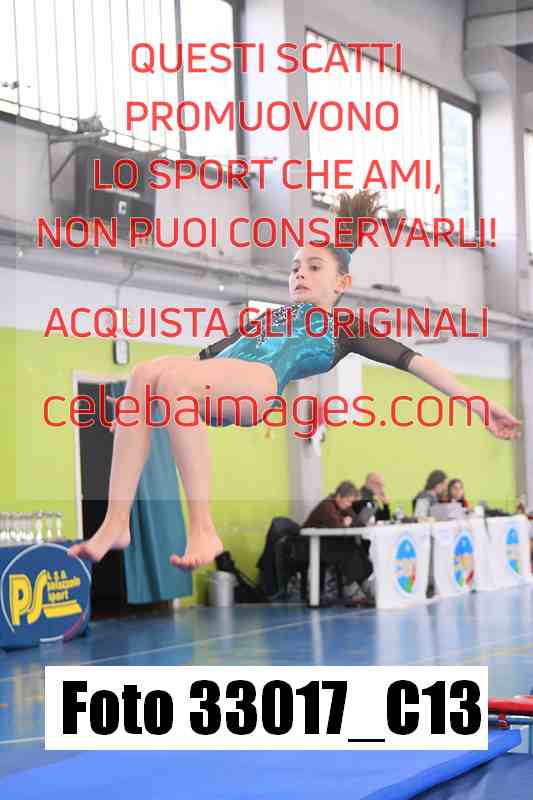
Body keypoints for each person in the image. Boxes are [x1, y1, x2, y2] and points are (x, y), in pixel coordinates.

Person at [68, 191, 521, 571]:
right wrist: (142, 408)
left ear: (342, 282)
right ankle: (116, 522)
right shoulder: (269, 318)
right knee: (144, 374)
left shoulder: (344, 326)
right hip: (222, 385)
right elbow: (203, 359)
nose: (300, 273)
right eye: (295, 266)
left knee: (169, 382)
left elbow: (415, 362)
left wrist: (479, 404)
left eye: (314, 267)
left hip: (257, 386)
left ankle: (203, 528)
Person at [302, 481, 373, 606]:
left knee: (357, 548)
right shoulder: (326, 505)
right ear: (339, 496)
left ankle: (364, 582)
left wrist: (356, 520)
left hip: (328, 543)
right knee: (347, 551)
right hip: (311, 545)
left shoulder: (343, 506)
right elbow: (337, 526)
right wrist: (344, 522)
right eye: (348, 501)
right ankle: (351, 589)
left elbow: (356, 522)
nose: (349, 504)